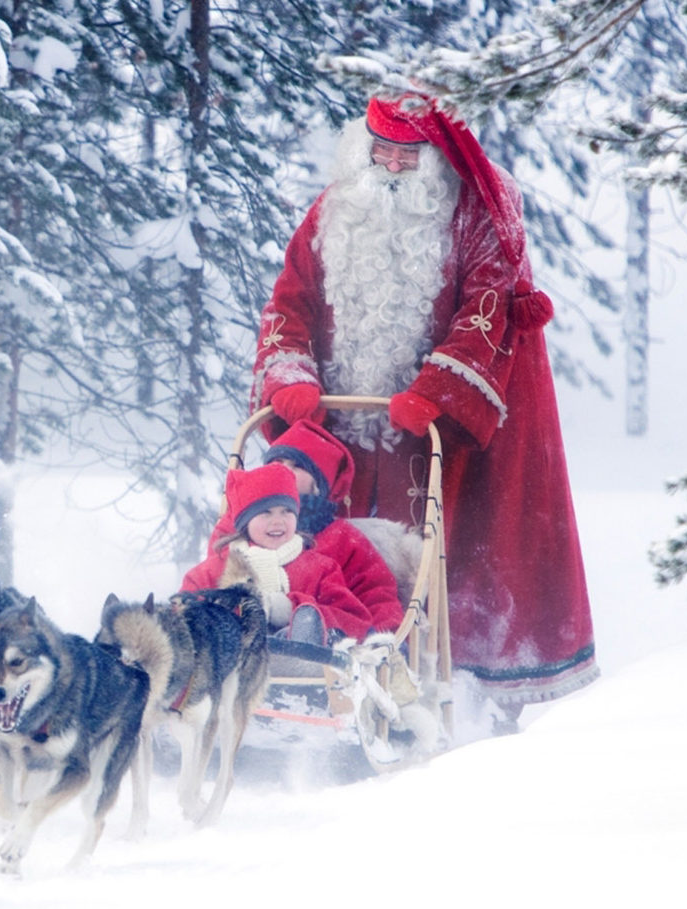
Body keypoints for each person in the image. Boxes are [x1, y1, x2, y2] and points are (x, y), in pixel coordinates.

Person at [249, 92, 597, 713]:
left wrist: (437, 390)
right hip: (342, 430)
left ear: (434, 158)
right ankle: (313, 657)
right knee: (319, 542)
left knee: (447, 558)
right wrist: (289, 376)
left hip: (442, 435)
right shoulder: (334, 209)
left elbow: (488, 310)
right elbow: (289, 301)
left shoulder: (480, 214)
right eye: (378, 149)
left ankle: (463, 691)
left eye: (404, 155)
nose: (388, 165)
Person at [209, 419, 405, 633]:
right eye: (277, 462)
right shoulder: (237, 521)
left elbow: (375, 593)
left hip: (317, 640)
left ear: (318, 484)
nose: (282, 470)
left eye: (297, 466)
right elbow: (211, 574)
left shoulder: (342, 538)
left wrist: (384, 640)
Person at [181, 464, 372, 644]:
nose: (278, 521)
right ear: (245, 521)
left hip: (303, 669)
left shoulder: (319, 568)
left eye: (286, 511)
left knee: (307, 627)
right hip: (233, 665)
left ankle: (296, 645)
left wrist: (293, 610)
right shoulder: (214, 569)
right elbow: (184, 614)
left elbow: (354, 621)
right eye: (266, 513)